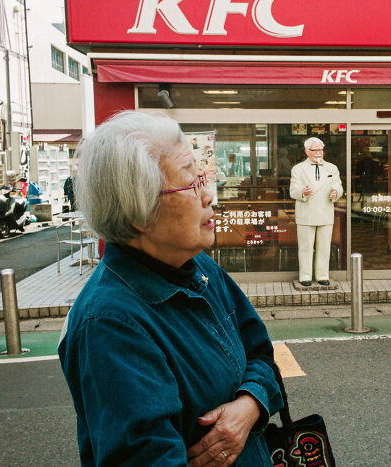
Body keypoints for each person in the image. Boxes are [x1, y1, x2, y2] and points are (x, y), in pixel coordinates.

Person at [58, 111, 282, 466]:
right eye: (191, 184)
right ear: (140, 213)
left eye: (203, 176)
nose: (210, 196)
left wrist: (249, 404)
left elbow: (260, 354)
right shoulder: (112, 325)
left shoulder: (198, 267)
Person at [289, 137, 343, 286]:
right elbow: (293, 191)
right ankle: (305, 276)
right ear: (307, 151)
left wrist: (336, 193)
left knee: (324, 247)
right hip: (306, 213)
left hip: (326, 211)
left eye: (321, 149)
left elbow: (338, 186)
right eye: (315, 150)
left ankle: (322, 275)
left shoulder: (332, 168)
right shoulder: (298, 169)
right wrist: (302, 192)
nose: (319, 153)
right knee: (306, 248)